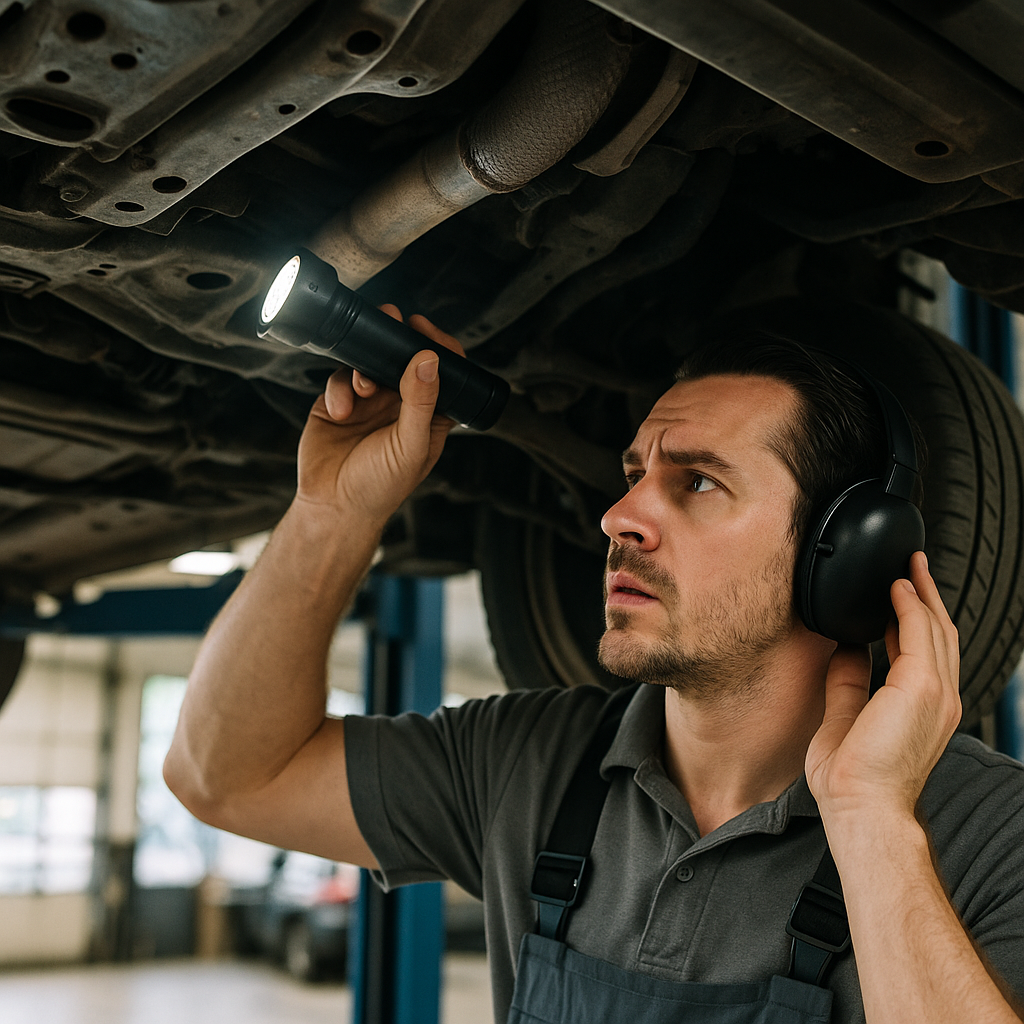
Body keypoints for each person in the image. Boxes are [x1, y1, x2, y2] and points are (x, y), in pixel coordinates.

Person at [164, 307, 1024, 1024]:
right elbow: (226, 775)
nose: (619, 515)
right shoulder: (531, 762)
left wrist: (870, 819)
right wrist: (331, 511)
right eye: (634, 473)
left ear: (845, 554)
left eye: (697, 483)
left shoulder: (994, 835)